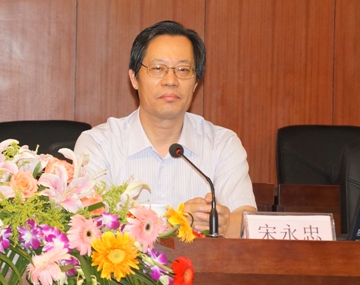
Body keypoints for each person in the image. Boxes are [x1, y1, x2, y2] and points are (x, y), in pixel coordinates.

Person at [74, 20, 256, 238]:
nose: (171, 81)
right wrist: (176, 221)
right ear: (134, 78)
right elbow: (91, 226)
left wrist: (222, 225)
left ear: (196, 83)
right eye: (158, 68)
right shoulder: (99, 145)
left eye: (183, 70)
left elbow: (246, 222)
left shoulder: (222, 144)